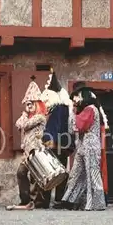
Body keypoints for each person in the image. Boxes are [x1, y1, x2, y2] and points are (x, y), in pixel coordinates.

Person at [60, 86, 107, 211]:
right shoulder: (84, 110)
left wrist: (72, 111)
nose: (76, 99)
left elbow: (79, 127)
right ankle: (71, 200)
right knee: (76, 172)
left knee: (92, 174)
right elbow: (72, 129)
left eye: (78, 96)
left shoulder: (90, 109)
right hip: (82, 145)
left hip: (90, 144)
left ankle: (96, 203)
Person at [6, 80, 49, 211]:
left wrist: (26, 115)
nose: (28, 106)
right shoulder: (27, 116)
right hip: (27, 152)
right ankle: (25, 200)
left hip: (37, 150)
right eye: (27, 104)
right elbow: (18, 124)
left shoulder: (40, 117)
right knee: (21, 173)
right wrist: (25, 113)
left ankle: (40, 202)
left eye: (31, 104)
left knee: (38, 176)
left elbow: (25, 125)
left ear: (36, 104)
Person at [40, 70, 75, 208]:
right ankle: (57, 199)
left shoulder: (59, 109)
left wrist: (46, 140)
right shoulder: (62, 108)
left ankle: (48, 201)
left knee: (52, 171)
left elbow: (55, 127)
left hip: (57, 145)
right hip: (61, 144)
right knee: (58, 171)